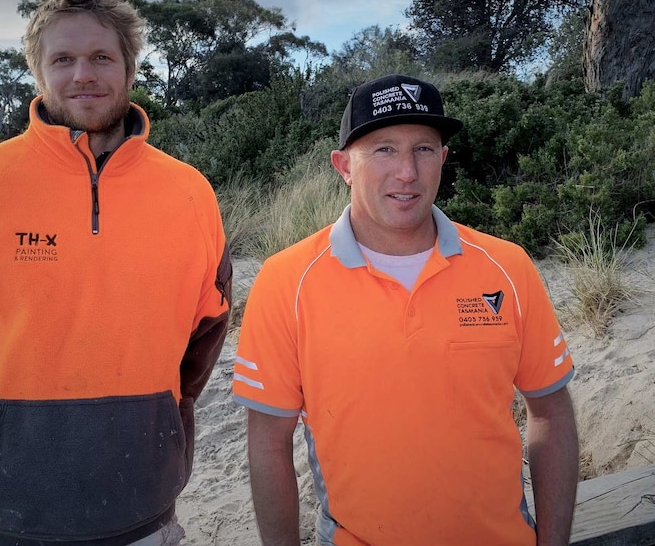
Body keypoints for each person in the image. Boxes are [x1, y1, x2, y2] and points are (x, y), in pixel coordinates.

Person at [0, 0, 232, 546]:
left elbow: (203, 338)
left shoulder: (189, 193)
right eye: (63, 59)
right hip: (0, 512)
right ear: (38, 71)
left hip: (143, 508)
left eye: (102, 57)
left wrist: (161, 426)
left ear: (130, 69)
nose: (83, 74)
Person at [232, 74, 578, 546]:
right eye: (383, 149)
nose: (407, 172)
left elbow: (552, 413)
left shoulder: (508, 267)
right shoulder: (285, 281)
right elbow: (269, 442)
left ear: (443, 159)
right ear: (343, 166)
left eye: (424, 149)